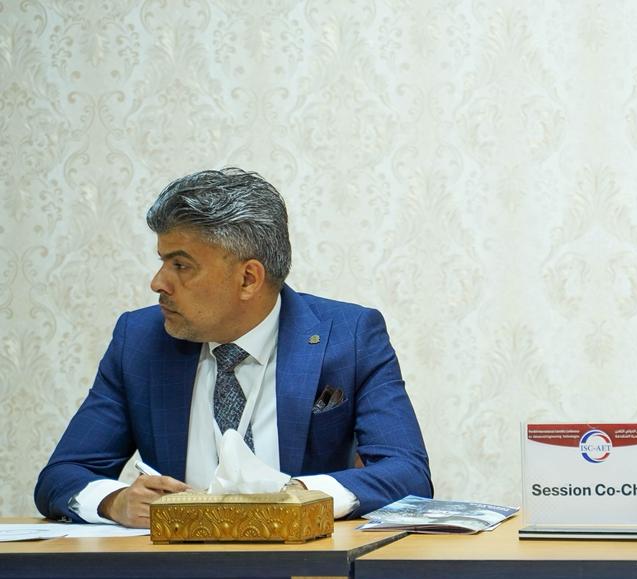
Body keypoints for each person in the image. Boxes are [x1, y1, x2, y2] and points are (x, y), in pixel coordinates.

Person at [35, 169, 431, 527]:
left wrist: (299, 497)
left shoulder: (348, 337)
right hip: (173, 569)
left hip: (306, 566)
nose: (158, 282)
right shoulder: (139, 340)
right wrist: (115, 502)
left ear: (248, 279)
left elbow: (407, 473)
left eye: (180, 265)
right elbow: (61, 476)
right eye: (162, 262)